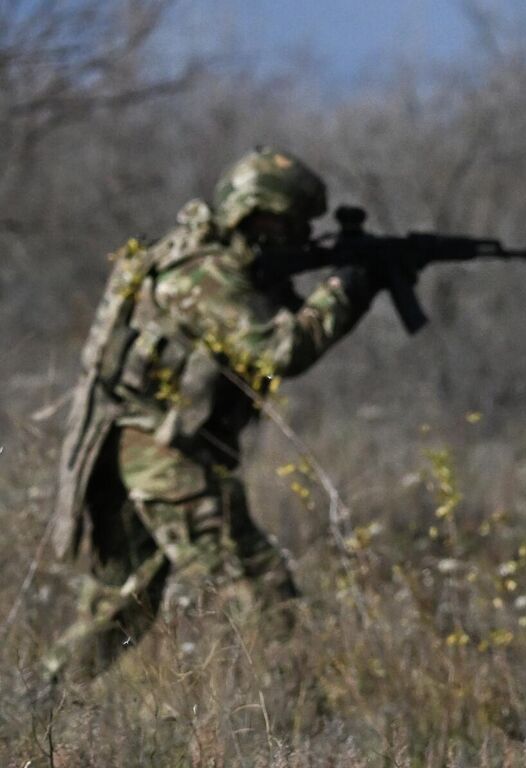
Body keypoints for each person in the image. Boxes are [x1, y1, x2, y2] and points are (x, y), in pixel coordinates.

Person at [44, 147, 382, 683]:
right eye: (287, 220)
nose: (297, 231)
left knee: (123, 603)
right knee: (259, 587)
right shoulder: (202, 272)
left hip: (146, 447)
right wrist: (347, 288)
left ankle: (42, 706)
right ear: (255, 214)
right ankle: (295, 722)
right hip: (161, 450)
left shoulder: (225, 265)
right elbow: (283, 349)